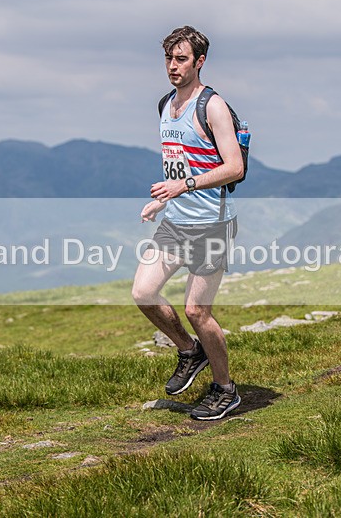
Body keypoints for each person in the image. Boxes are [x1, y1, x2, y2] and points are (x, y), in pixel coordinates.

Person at [132, 25, 244, 421]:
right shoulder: (165, 104)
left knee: (198, 311)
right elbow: (179, 161)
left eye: (181, 59)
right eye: (168, 58)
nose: (172, 66)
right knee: (143, 292)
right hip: (176, 221)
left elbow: (235, 167)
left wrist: (185, 185)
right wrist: (163, 198)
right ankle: (188, 350)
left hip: (212, 225)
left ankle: (225, 390)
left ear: (200, 62)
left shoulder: (212, 106)